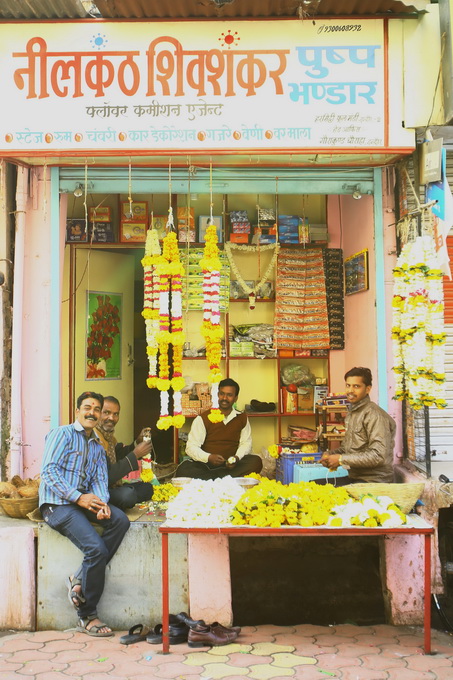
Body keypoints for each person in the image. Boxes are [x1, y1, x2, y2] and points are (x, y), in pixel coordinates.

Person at [39, 391, 130, 638]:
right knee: (96, 549)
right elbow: (48, 472)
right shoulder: (62, 434)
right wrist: (78, 497)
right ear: (77, 410)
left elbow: (100, 480)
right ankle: (87, 615)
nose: (92, 412)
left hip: (82, 503)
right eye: (87, 407)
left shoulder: (97, 447)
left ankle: (79, 577)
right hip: (57, 505)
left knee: (120, 520)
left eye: (97, 409)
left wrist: (101, 504)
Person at [319, 367, 396, 485]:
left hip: (374, 482)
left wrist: (340, 459)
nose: (350, 390)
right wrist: (330, 455)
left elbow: (379, 456)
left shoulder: (374, 415)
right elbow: (348, 449)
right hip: (355, 478)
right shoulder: (353, 412)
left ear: (368, 389)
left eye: (356, 386)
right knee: (312, 487)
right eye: (348, 385)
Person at [176, 378, 263, 480]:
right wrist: (209, 457)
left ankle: (214, 479)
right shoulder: (203, 418)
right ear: (217, 395)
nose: (224, 398)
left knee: (256, 461)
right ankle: (224, 478)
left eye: (229, 395)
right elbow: (191, 447)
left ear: (236, 398)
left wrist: (236, 458)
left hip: (231, 466)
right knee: (183, 470)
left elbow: (246, 443)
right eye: (222, 394)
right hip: (206, 466)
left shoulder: (242, 418)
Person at [95, 395, 154, 510]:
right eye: (106, 412)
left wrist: (137, 442)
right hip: (99, 489)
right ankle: (105, 504)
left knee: (147, 487)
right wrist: (136, 454)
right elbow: (107, 476)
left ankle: (113, 501)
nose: (111, 418)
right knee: (127, 496)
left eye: (116, 414)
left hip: (113, 487)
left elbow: (118, 455)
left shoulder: (109, 436)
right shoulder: (94, 437)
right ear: (98, 413)